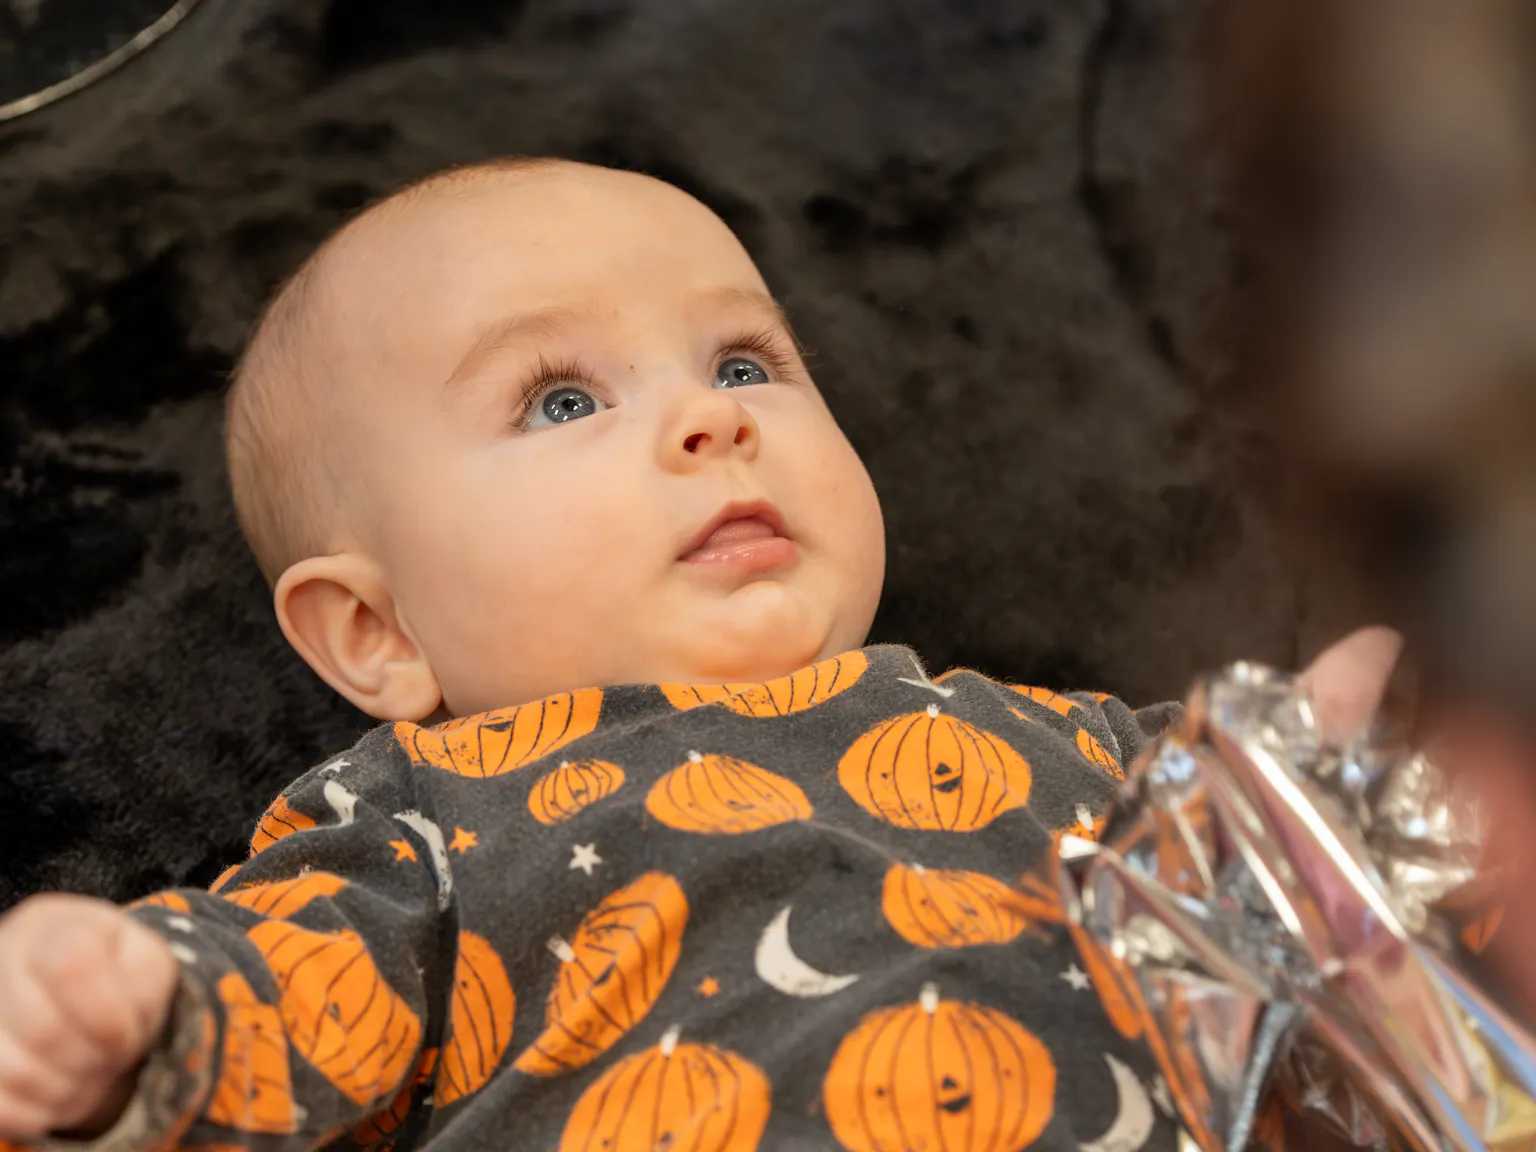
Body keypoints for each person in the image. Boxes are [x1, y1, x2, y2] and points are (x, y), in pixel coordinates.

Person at [0, 158, 1398, 1152]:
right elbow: (274, 1019)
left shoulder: (1080, 744)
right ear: (377, 634)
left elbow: (1316, 963)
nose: (709, 420)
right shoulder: (422, 827)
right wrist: (121, 1021)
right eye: (560, 399)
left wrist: (1338, 804)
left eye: (743, 365)